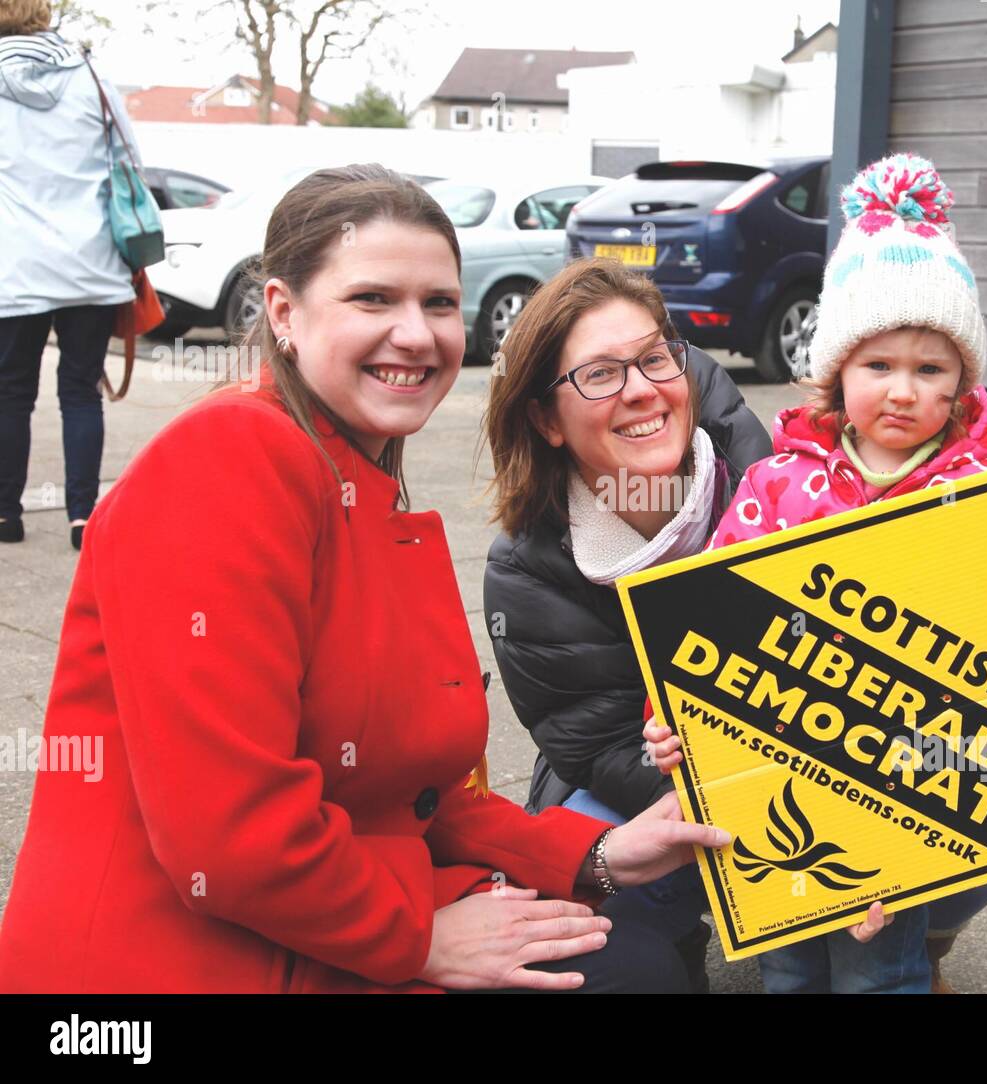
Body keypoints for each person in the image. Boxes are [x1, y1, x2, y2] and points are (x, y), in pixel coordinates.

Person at [0, 164, 730, 994]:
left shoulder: (358, 478)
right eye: (373, 300)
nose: (416, 334)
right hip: (185, 958)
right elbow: (226, 840)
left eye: (439, 304)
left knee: (625, 946)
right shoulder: (228, 462)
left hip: (319, 907)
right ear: (283, 312)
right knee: (626, 974)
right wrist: (418, 941)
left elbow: (417, 791)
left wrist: (594, 853)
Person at [644, 153, 987, 994]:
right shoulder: (777, 483)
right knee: (786, 967)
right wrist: (671, 718)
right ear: (835, 370)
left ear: (962, 382)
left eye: (930, 369)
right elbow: (706, 611)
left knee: (881, 970)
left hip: (924, 782)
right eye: (878, 366)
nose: (902, 391)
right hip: (791, 774)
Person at [480, 258, 775, 990]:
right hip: (646, 780)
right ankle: (665, 938)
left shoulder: (776, 482)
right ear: (546, 419)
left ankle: (911, 942)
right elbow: (603, 746)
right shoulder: (526, 567)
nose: (642, 389)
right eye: (600, 374)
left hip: (812, 756)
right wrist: (750, 800)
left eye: (652, 358)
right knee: (581, 936)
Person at [0, 0, 140, 550]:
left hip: (15, 267)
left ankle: (6, 514)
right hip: (90, 264)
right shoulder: (90, 74)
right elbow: (129, 157)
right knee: (81, 391)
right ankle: (83, 517)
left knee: (10, 393)